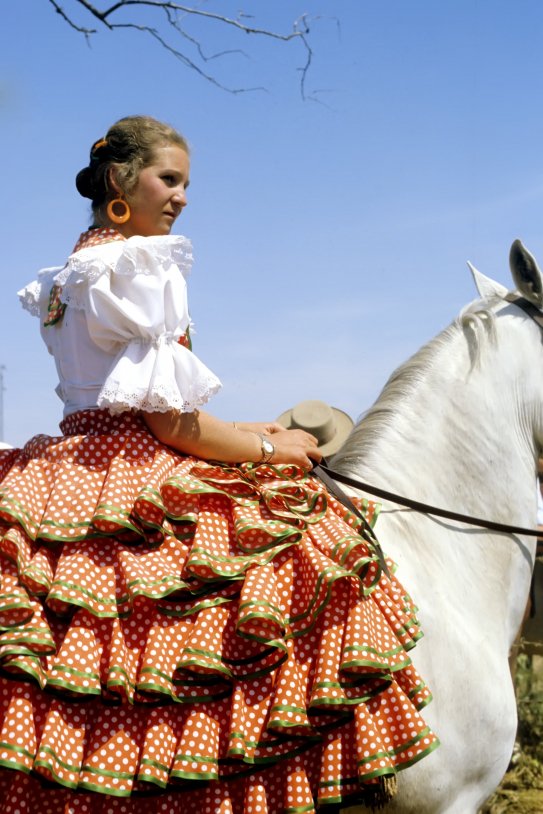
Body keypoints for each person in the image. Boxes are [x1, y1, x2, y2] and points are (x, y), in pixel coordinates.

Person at [0, 115, 438, 813]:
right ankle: (287, 776)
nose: (180, 197)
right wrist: (271, 448)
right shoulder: (139, 267)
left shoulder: (70, 271)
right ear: (120, 180)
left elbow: (124, 398)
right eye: (167, 179)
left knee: (97, 648)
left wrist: (240, 427)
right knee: (305, 549)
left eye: (184, 183)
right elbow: (165, 419)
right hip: (137, 461)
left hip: (69, 461)